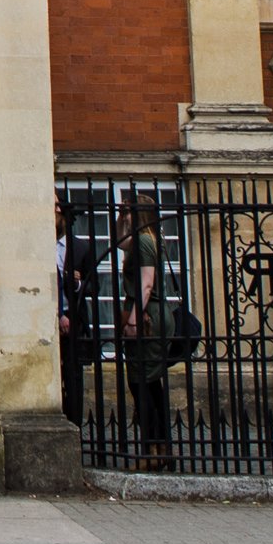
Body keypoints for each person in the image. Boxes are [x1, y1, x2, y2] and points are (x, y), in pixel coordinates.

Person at [110, 195, 177, 466]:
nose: (125, 214)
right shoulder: (144, 239)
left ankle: (151, 451)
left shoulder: (145, 242)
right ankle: (161, 449)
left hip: (148, 316)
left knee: (140, 383)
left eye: (128, 211)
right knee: (150, 383)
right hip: (150, 313)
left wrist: (134, 320)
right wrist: (121, 218)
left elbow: (146, 284)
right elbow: (119, 243)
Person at [54, 203, 101, 428]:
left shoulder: (81, 247)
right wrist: (58, 316)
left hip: (75, 321)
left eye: (55, 210)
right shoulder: (38, 244)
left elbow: (95, 286)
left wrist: (78, 283)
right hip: (48, 321)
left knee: (74, 377)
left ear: (64, 216)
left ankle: (74, 425)